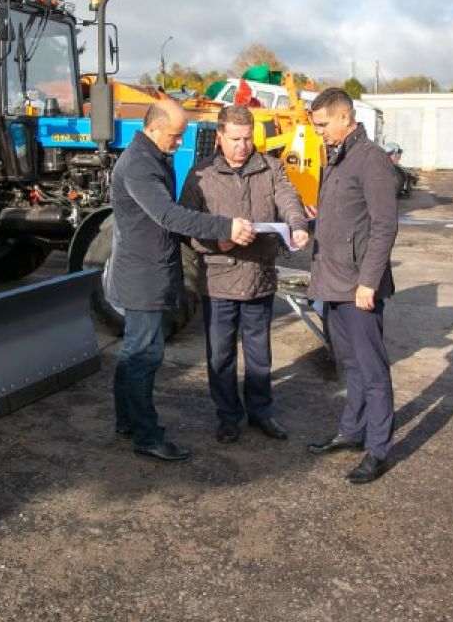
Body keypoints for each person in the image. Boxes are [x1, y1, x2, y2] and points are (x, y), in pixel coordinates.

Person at [106, 99, 256, 463]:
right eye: (174, 136)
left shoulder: (152, 156)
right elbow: (168, 215)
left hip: (144, 270)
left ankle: (127, 422)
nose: (178, 142)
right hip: (143, 276)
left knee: (133, 354)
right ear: (154, 128)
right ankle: (146, 435)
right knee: (145, 355)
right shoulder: (141, 165)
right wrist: (225, 226)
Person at [180, 104, 309, 443]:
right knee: (220, 355)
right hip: (219, 280)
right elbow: (187, 225)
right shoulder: (200, 175)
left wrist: (297, 226)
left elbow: (290, 200)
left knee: (259, 353)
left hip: (258, 276)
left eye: (248, 139)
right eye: (235, 139)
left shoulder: (271, 167)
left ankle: (261, 412)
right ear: (219, 136)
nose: (242, 146)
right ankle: (227, 416)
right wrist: (217, 243)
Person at [304, 88, 400, 484]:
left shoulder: (371, 160)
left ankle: (379, 450)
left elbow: (384, 226)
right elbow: (348, 214)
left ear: (345, 118)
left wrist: (368, 282)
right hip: (333, 282)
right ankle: (352, 431)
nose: (319, 133)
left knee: (373, 371)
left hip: (359, 286)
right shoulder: (339, 157)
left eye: (323, 125)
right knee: (351, 366)